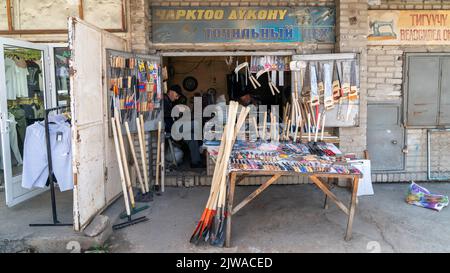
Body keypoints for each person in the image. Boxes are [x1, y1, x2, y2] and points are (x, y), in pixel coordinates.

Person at [164, 85, 204, 168]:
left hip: (175, 128)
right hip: (172, 130)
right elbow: (165, 115)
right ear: (171, 92)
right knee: (196, 124)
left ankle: (195, 162)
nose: (177, 98)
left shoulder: (170, 102)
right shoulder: (163, 100)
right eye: (177, 95)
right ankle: (202, 146)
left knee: (192, 138)